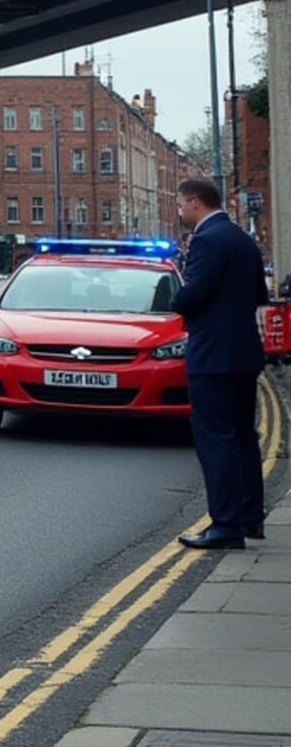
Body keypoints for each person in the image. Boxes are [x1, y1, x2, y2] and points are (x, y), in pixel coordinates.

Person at [170, 177, 269, 550]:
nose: (180, 212)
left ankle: (225, 526)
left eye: (181, 205)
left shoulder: (207, 239)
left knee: (216, 439)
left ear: (195, 201)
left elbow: (193, 295)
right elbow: (259, 294)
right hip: (244, 353)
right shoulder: (242, 238)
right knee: (244, 436)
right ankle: (250, 517)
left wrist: (177, 296)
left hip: (213, 354)